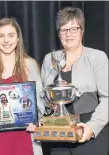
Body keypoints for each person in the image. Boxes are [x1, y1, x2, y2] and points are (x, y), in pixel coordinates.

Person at [41, 7, 108, 155]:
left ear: (82, 31)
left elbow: (107, 98)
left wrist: (92, 127)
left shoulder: (97, 57)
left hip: (89, 133)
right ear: (58, 33)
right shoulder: (49, 59)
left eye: (73, 29)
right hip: (58, 134)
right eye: (63, 30)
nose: (68, 34)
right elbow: (43, 96)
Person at [0, 17, 45, 155]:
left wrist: (35, 120)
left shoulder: (30, 65)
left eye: (11, 35)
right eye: (1, 36)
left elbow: (40, 101)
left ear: (18, 38)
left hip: (25, 138)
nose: (6, 40)